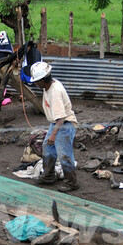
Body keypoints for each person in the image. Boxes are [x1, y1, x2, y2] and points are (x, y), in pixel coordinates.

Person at [29, 61, 79, 192]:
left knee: (64, 154)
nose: (34, 84)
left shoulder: (55, 92)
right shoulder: (49, 86)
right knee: (48, 147)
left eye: (36, 81)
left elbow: (61, 117)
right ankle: (48, 176)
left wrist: (53, 134)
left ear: (42, 80)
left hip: (64, 124)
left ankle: (71, 183)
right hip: (57, 122)